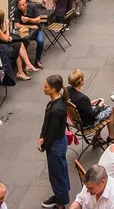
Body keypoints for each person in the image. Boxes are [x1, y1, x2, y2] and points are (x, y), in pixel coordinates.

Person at [39, 75, 70, 208]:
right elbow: (47, 123)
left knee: (57, 173)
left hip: (56, 144)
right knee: (58, 171)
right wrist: (42, 136)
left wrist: (44, 145)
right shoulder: (54, 103)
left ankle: (61, 202)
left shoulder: (57, 108)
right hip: (56, 142)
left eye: (46, 86)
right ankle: (60, 196)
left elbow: (52, 131)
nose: (43, 88)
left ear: (53, 89)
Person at [0, 7, 40, 79]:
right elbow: (5, 39)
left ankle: (21, 71)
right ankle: (26, 66)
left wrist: (7, 37)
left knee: (19, 47)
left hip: (0, 46)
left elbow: (3, 37)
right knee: (19, 46)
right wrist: (7, 26)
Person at [67, 69, 113, 140]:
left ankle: (98, 137)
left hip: (75, 121)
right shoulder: (82, 98)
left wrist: (89, 103)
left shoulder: (68, 89)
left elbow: (77, 104)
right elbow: (92, 114)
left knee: (102, 107)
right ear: (81, 81)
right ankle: (111, 136)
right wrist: (99, 106)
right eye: (83, 78)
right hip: (86, 124)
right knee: (111, 109)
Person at [16, 0, 50, 66]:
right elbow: (17, 25)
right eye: (20, 5)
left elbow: (38, 19)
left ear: (27, 4)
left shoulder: (33, 7)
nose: (21, 7)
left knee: (40, 41)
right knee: (22, 43)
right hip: (26, 31)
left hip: (37, 29)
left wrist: (29, 19)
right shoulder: (17, 11)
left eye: (23, 5)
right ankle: (26, 63)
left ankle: (37, 60)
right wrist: (30, 26)